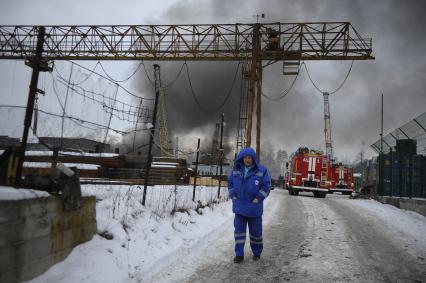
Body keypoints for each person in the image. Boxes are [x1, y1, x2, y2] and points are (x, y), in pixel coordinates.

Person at [228, 147, 271, 263]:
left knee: (256, 233)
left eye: (250, 157)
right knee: (239, 233)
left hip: (254, 209)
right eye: (246, 157)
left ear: (253, 159)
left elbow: (266, 187)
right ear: (242, 158)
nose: (248, 160)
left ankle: (257, 253)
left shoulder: (262, 170)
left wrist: (258, 198)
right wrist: (233, 195)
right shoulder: (235, 170)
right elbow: (230, 184)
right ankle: (239, 255)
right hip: (239, 208)